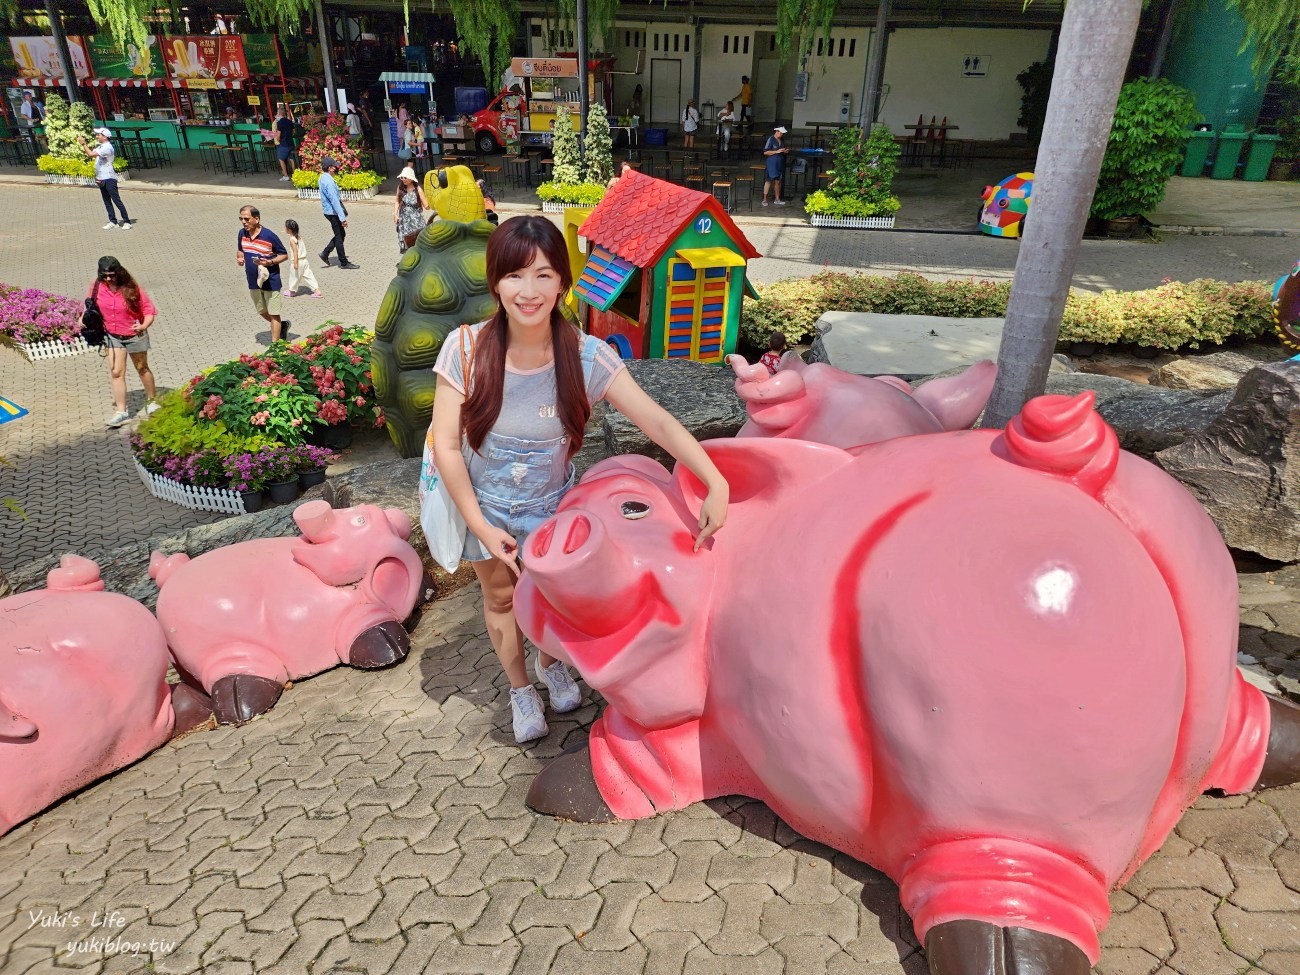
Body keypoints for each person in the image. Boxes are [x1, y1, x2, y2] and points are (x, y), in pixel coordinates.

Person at [428, 216, 730, 743]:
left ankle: (551, 665)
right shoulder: (465, 350)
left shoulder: (586, 355)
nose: (529, 291)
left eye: (544, 275)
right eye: (515, 275)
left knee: (549, 597)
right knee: (500, 600)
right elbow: (447, 446)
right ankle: (521, 689)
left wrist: (714, 479)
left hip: (553, 506)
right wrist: (477, 521)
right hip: (483, 505)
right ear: (495, 281)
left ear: (564, 283)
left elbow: (654, 419)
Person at [93, 256, 159, 428]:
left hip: (133, 335)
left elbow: (148, 309)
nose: (108, 279)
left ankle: (152, 401)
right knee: (116, 372)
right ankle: (121, 412)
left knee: (142, 368)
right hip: (112, 336)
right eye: (105, 276)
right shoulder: (98, 286)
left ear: (119, 272)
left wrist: (144, 324)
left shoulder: (131, 287)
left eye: (112, 275)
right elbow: (91, 305)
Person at [235, 205, 290, 342]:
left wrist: (270, 262)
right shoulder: (242, 234)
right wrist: (240, 258)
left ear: (257, 219)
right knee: (262, 311)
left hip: (271, 281)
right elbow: (240, 250)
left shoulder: (269, 236)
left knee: (274, 313)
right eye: (241, 219)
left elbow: (284, 255)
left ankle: (275, 346)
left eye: (247, 219)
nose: (243, 222)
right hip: (253, 281)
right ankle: (281, 325)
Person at [77, 128, 132, 230]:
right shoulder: (101, 146)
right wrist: (83, 146)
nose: (97, 136)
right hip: (101, 178)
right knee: (106, 201)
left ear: (105, 136)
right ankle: (113, 221)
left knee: (116, 200)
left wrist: (83, 144)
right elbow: (90, 154)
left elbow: (91, 154)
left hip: (109, 178)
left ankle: (127, 221)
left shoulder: (107, 147)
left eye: (98, 135)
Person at [317, 156, 358, 270]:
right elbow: (335, 201)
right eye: (334, 166)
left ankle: (325, 253)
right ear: (329, 168)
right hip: (333, 213)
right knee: (339, 236)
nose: (335, 168)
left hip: (329, 211)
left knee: (340, 234)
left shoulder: (323, 178)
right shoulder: (329, 182)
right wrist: (342, 218)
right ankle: (343, 262)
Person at [282, 219, 321, 298]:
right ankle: (317, 290)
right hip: (304, 261)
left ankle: (292, 291)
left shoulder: (292, 239)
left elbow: (295, 251)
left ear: (289, 229)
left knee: (294, 276)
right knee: (309, 275)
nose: (284, 229)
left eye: (285, 227)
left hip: (298, 261)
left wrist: (295, 263)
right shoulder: (299, 237)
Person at [394, 166, 428, 254]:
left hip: (416, 221)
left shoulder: (418, 190)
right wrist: (395, 214)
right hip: (404, 220)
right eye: (401, 177)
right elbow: (397, 201)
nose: (403, 179)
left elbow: (426, 206)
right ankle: (407, 260)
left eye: (405, 177)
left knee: (417, 241)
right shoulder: (400, 187)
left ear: (411, 178)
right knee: (405, 242)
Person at [762, 125, 789, 207]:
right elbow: (765, 152)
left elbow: (782, 149)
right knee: (769, 180)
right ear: (776, 132)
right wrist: (776, 151)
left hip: (779, 162)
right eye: (781, 133)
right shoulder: (771, 139)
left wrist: (784, 151)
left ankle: (777, 199)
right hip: (772, 162)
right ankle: (764, 199)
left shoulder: (782, 140)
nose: (782, 135)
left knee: (777, 181)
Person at [273, 104, 295, 181]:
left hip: (284, 144)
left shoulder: (279, 123)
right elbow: (293, 131)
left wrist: (278, 140)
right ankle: (295, 174)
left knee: (281, 159)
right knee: (292, 158)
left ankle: (285, 175)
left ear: (279, 113)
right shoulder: (289, 121)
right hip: (291, 142)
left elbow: (278, 134)